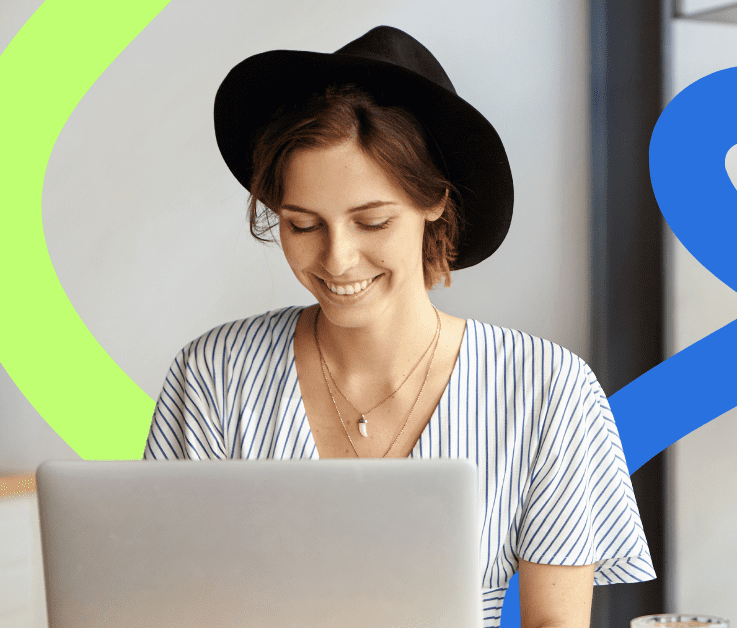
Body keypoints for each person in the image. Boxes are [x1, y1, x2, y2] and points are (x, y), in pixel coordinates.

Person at [143, 26, 654, 628]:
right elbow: (162, 604)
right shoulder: (214, 376)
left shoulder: (546, 388)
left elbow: (555, 623)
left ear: (434, 198)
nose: (337, 261)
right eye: (303, 225)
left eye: (373, 221)